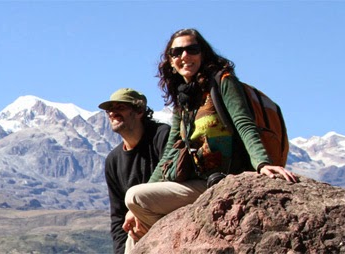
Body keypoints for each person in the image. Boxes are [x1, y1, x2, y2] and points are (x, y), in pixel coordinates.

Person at [121, 28, 298, 252]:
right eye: (177, 52)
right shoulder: (183, 101)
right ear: (171, 61)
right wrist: (135, 210)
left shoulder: (223, 82)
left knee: (134, 196)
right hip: (193, 180)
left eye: (191, 49)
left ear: (203, 54)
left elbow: (244, 123)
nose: (184, 56)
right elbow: (169, 153)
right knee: (132, 230)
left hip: (221, 181)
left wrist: (262, 163)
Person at [100, 88, 171, 254]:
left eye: (120, 108)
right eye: (110, 110)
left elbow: (172, 179)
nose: (113, 113)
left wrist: (137, 213)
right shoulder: (113, 160)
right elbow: (118, 215)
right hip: (139, 229)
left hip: (168, 215)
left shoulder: (162, 136)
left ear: (139, 111)